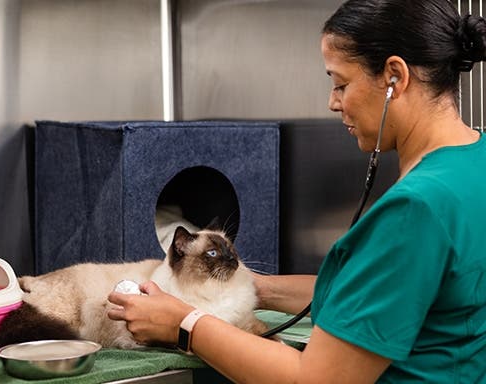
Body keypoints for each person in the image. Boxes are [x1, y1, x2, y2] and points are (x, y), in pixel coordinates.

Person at [107, 0, 486, 382]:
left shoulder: (415, 210)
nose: (333, 102)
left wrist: (185, 325)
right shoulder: (475, 162)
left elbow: (315, 379)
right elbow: (384, 297)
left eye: (341, 84)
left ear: (394, 77)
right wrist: (253, 287)